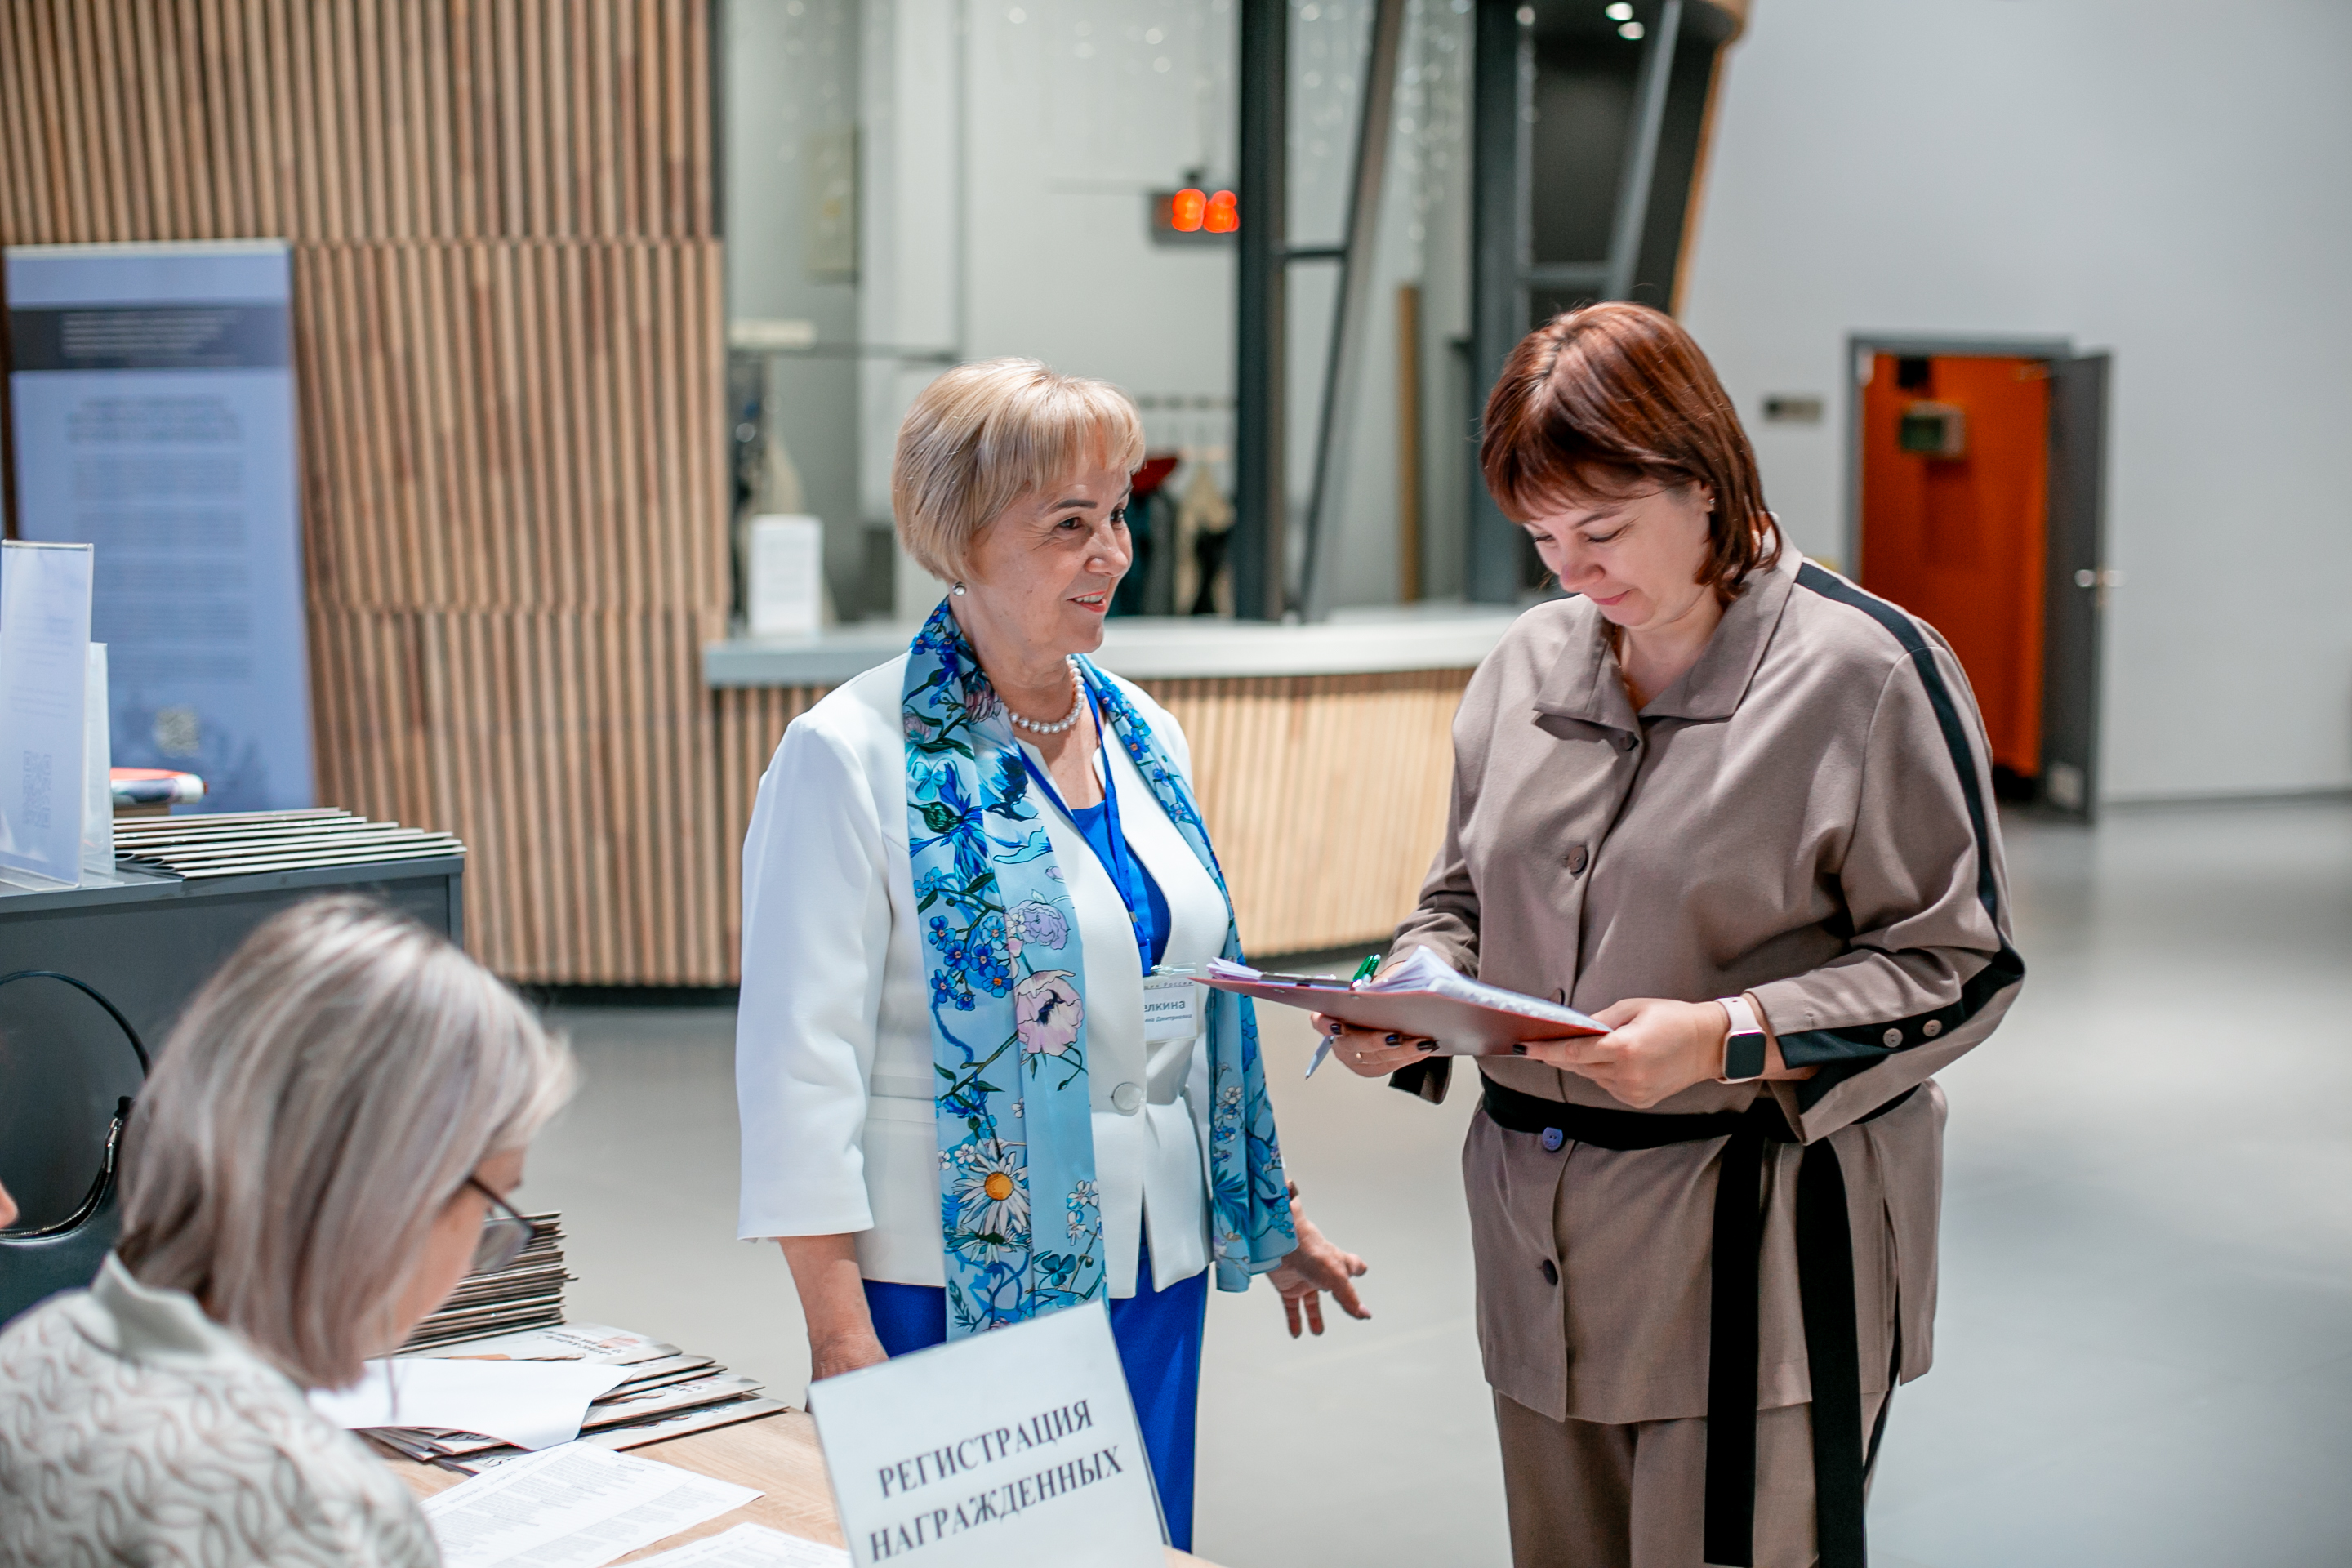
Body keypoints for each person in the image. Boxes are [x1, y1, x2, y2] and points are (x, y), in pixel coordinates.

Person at [1324, 303, 2023, 1568]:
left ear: (1702, 480)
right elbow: (1462, 897)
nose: (1572, 574)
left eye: (1600, 530)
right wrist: (1412, 997)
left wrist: (1727, 1036)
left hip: (1759, 1269)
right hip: (1537, 1253)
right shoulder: (1527, 664)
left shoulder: (1865, 673)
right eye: (1542, 538)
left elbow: (1959, 965)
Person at [736, 357, 1367, 1549]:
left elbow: (1180, 1006)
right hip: (951, 1283)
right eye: (1069, 524)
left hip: (1153, 1269)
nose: (1112, 553)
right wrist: (838, 1334)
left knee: (1138, 1550)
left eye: (1117, 515)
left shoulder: (1144, 734)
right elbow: (795, 1074)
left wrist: (1267, 1213)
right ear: (962, 536)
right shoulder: (850, 753)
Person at [0, 897, 575, 1567]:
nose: (478, 1256)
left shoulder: (34, 1351)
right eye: (489, 1207)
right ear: (390, 1195)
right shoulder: (322, 1515)